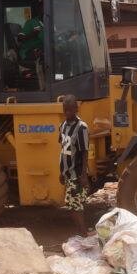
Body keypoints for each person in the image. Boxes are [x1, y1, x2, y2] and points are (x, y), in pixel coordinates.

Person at [59, 95, 90, 237]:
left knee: (76, 207)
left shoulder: (81, 128)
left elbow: (84, 152)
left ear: (76, 109)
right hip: (67, 173)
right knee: (71, 205)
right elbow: (63, 150)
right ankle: (82, 234)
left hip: (76, 174)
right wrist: (61, 171)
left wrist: (83, 175)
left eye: (70, 110)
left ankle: (83, 235)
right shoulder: (62, 126)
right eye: (65, 110)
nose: (67, 113)